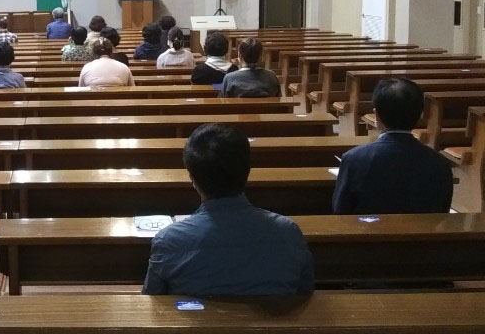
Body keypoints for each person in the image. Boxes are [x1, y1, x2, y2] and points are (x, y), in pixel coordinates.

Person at [143, 124, 314, 296]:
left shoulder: (169, 240)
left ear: (192, 179)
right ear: (247, 171)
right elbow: (305, 294)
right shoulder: (289, 233)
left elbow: (153, 301)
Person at [333, 78, 453, 214]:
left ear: (376, 115)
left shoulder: (354, 159)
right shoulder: (440, 163)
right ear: (420, 115)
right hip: (423, 228)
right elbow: (443, 211)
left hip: (366, 228)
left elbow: (340, 211)